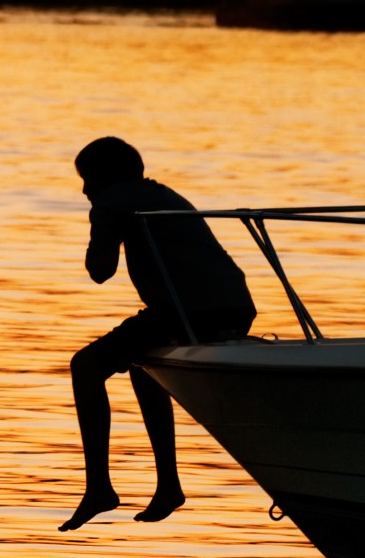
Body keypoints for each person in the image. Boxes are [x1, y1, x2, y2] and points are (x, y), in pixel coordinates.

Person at [60, 137, 256, 532]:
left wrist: (101, 218)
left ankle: (99, 486)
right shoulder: (162, 193)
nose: (83, 189)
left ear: (103, 178)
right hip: (234, 304)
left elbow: (100, 271)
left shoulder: (113, 201)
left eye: (87, 180)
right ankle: (168, 485)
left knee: (85, 365)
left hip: (187, 312)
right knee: (143, 365)